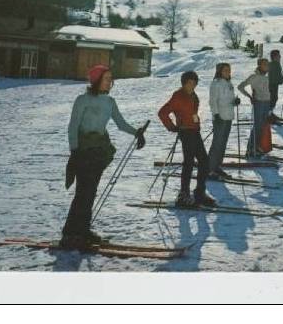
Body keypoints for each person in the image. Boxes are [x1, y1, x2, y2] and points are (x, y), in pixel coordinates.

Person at [61, 65, 146, 248]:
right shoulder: (82, 100)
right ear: (96, 80)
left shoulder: (110, 102)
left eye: (111, 78)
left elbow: (120, 124)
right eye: (106, 78)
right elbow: (73, 126)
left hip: (99, 151)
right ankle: (70, 233)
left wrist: (136, 133)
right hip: (83, 150)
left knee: (90, 192)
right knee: (83, 192)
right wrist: (74, 151)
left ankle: (82, 230)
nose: (110, 82)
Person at [158, 71, 216, 207]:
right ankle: (184, 194)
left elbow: (193, 113)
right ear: (184, 83)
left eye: (194, 83)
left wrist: (196, 123)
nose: (192, 85)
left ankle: (199, 192)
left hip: (195, 131)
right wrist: (172, 127)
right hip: (185, 132)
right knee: (189, 162)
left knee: (204, 161)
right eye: (190, 83)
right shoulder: (178, 96)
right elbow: (162, 112)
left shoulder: (193, 95)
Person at [208, 63, 240, 179]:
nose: (228, 72)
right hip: (220, 117)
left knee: (223, 143)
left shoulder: (229, 83)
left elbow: (228, 100)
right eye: (225, 70)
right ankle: (209, 168)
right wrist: (216, 114)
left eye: (229, 70)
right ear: (220, 72)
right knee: (217, 144)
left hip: (228, 116)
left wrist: (235, 101)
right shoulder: (216, 84)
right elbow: (212, 101)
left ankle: (217, 166)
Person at [237, 58, 271, 157]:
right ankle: (250, 149)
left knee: (263, 126)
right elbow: (240, 86)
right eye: (264, 64)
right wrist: (250, 96)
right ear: (259, 65)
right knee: (257, 126)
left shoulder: (267, 77)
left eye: (267, 64)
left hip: (267, 103)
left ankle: (257, 147)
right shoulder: (254, 77)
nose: (266, 66)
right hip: (259, 103)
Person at [268, 49, 283, 113]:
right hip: (273, 84)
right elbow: (279, 75)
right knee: (274, 99)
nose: (280, 57)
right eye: (278, 55)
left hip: (271, 84)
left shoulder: (271, 64)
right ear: (275, 57)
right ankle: (268, 114)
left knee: (272, 99)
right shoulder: (276, 64)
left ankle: (269, 113)